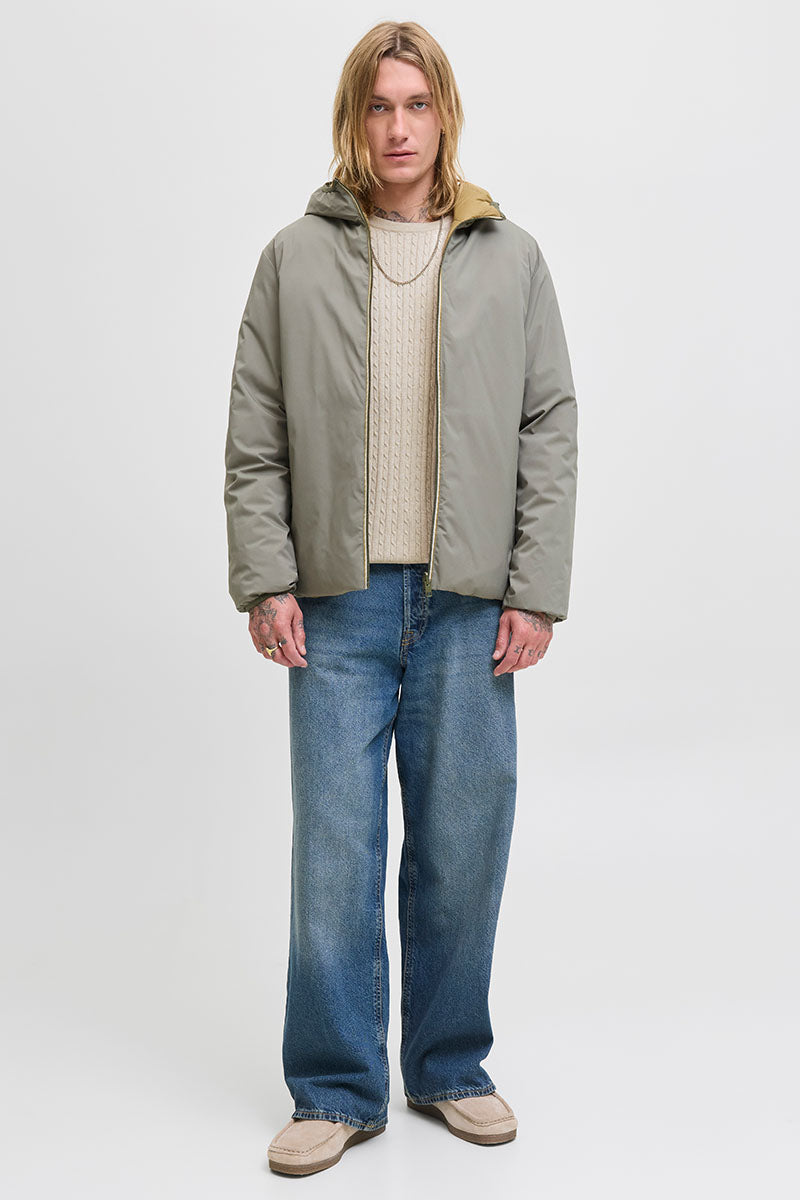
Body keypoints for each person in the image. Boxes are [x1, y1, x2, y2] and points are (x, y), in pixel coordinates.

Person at [224, 19, 578, 1178]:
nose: (396, 128)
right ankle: (333, 1089)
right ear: (352, 119)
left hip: (469, 604)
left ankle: (448, 1067)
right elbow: (255, 435)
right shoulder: (293, 257)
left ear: (443, 116)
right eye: (377, 106)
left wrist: (532, 589)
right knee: (333, 856)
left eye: (415, 105)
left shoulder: (510, 258)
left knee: (461, 846)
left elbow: (546, 428)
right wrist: (266, 575)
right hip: (335, 604)